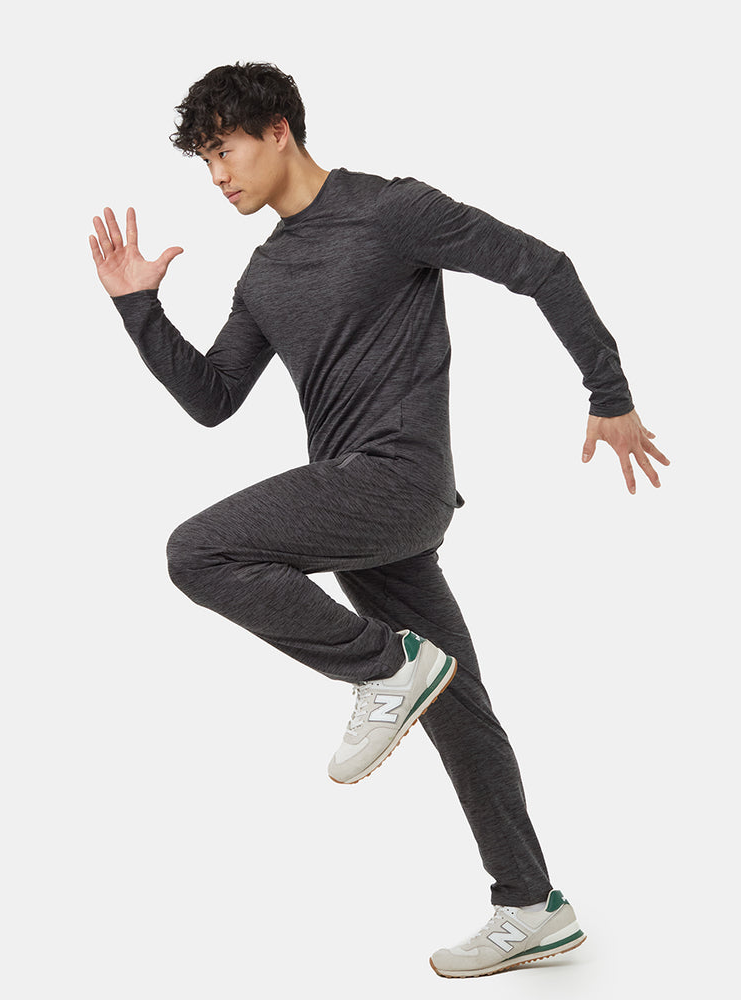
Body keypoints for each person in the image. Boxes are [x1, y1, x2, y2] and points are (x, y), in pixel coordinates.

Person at [89, 62, 669, 979]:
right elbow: (213, 399)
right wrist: (138, 309)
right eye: (204, 162)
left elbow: (542, 267)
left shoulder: (391, 210)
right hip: (359, 511)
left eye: (224, 151)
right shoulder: (265, 274)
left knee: (198, 550)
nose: (217, 177)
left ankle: (387, 667)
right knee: (459, 706)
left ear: (278, 130)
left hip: (399, 482)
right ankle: (531, 906)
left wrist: (610, 391)